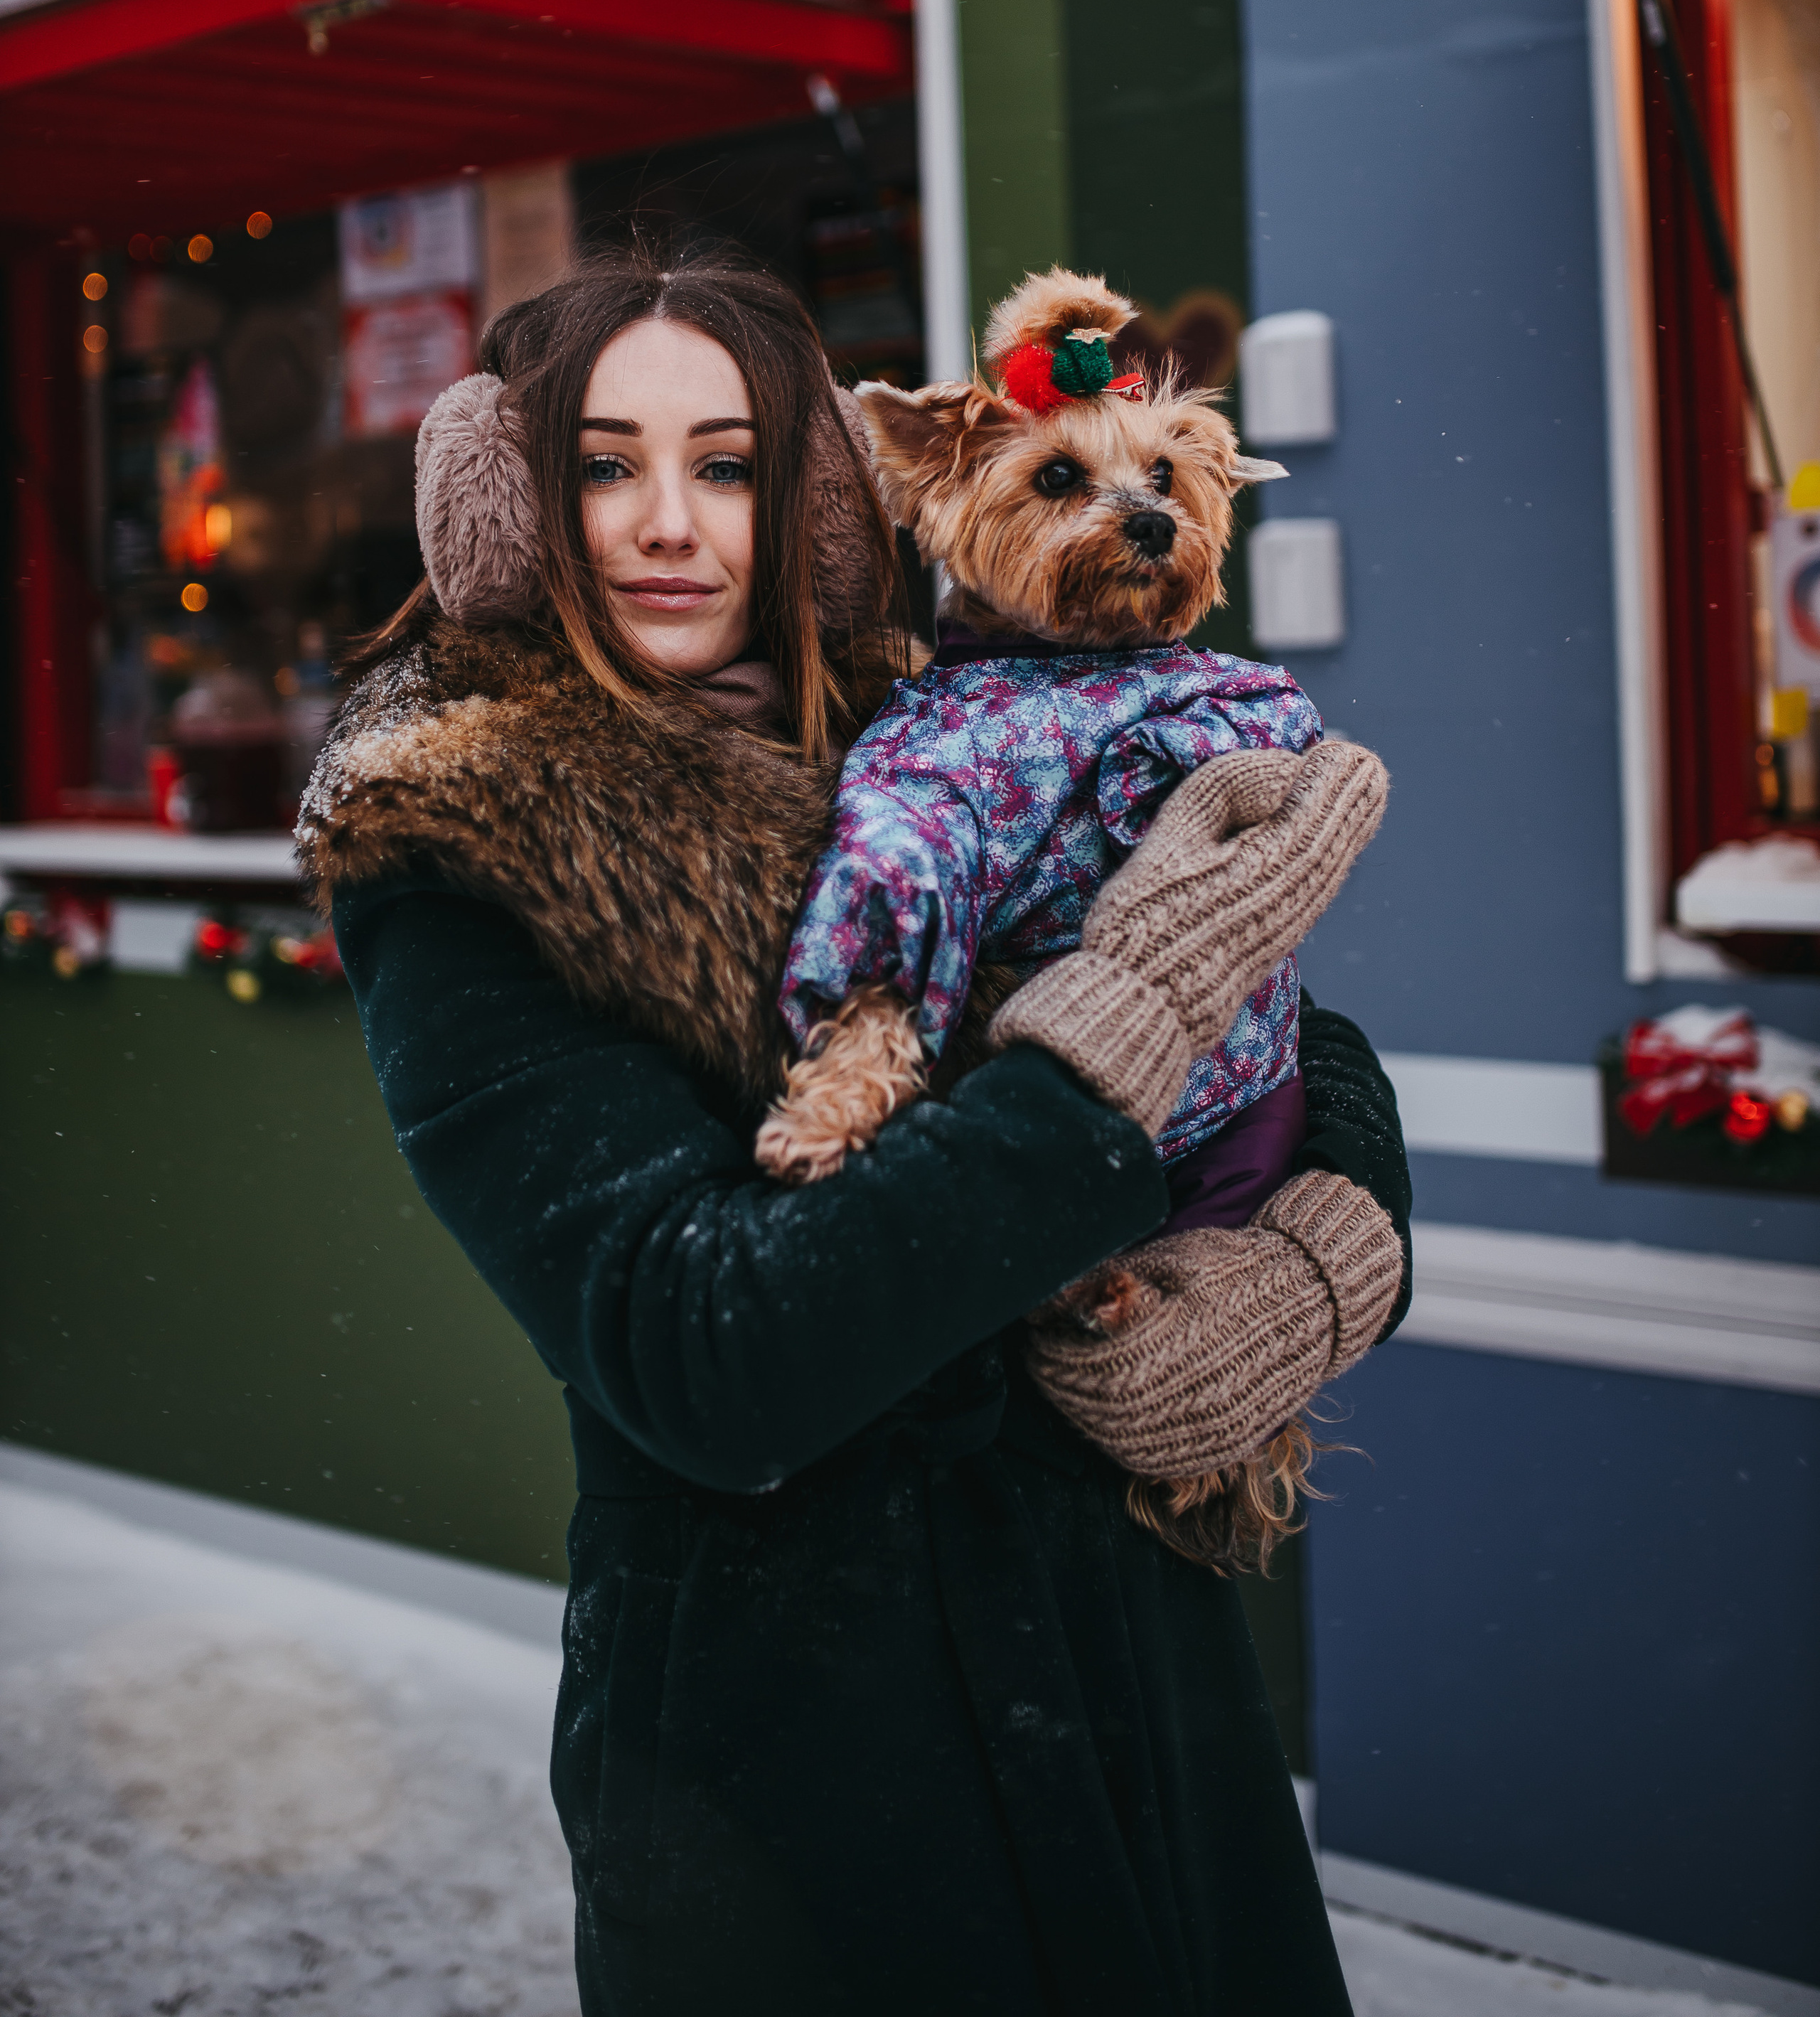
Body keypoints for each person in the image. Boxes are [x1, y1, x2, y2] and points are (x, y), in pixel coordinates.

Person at [299, 250, 1413, 2017]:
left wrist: (1325, 1252)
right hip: (810, 1779)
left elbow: (1285, 1027)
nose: (669, 522)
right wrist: (1099, 1061)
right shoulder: (456, 855)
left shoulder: (930, 723)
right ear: (506, 504)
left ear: (814, 507)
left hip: (1129, 1680)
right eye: (603, 464)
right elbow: (711, 1356)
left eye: (728, 464)